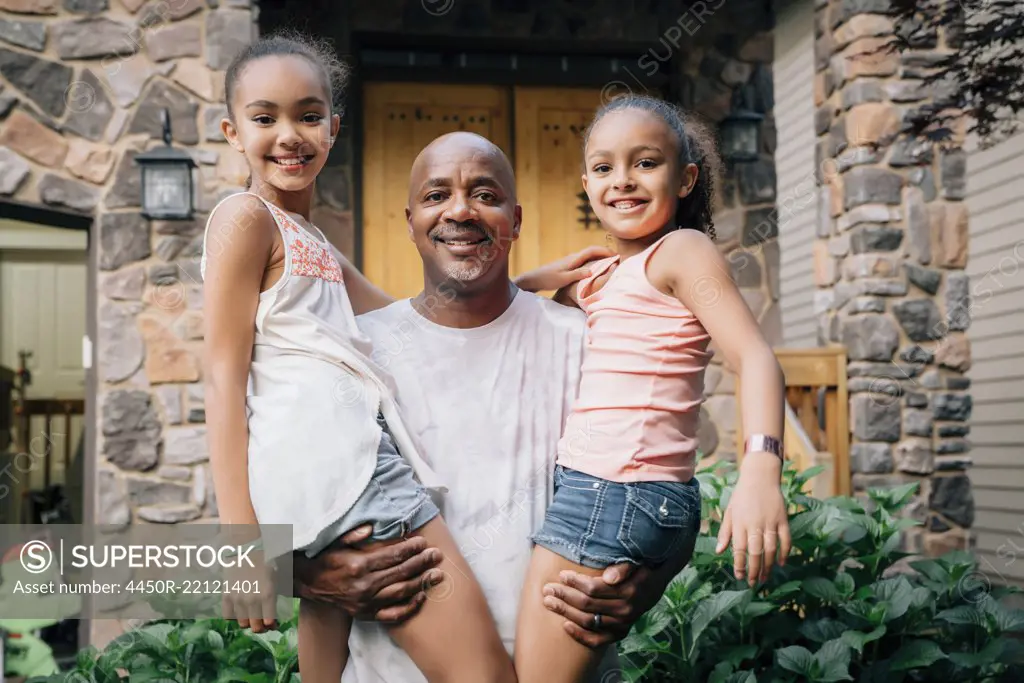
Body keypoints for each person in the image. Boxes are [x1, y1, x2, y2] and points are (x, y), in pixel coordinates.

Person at [291, 131, 682, 683]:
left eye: (484, 194)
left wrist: (656, 573)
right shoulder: (356, 354)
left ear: (515, 220)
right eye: (435, 196)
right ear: (409, 221)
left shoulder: (586, 342)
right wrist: (299, 574)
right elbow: (268, 513)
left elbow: (662, 475)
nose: (459, 210)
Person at [200, 32, 518, 683]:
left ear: (333, 127)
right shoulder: (244, 218)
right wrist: (241, 543)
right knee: (484, 673)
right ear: (234, 132)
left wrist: (538, 283)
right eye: (266, 118)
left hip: (331, 471)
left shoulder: (311, 240)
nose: (289, 135)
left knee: (327, 647)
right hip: (347, 475)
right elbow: (223, 374)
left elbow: (415, 316)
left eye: (308, 116)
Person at [510, 94, 792, 683]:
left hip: (613, 491)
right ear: (586, 182)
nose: (624, 181)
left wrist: (762, 470)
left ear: (686, 178)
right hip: (621, 494)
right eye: (605, 167)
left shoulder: (680, 252)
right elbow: (498, 316)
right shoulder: (605, 277)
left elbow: (755, 356)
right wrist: (539, 278)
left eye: (645, 163)